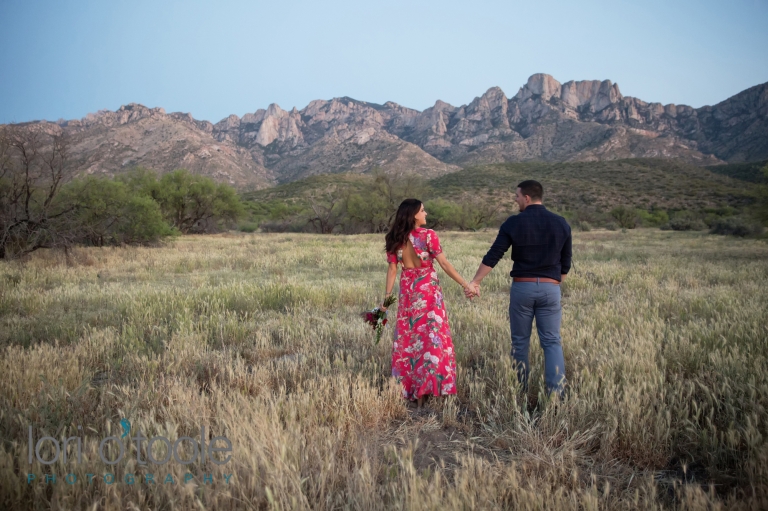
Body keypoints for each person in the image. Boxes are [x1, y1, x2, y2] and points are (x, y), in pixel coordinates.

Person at [465, 180, 572, 397]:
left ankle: (520, 391)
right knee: (552, 342)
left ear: (527, 198)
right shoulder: (561, 223)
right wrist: (553, 284)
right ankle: (557, 396)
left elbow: (494, 255)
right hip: (551, 288)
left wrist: (475, 281)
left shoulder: (513, 223)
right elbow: (565, 263)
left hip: (522, 288)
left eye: (517, 196)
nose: (515, 200)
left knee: (520, 341)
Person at [382, 199, 472, 407]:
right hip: (428, 294)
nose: (426, 213)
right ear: (414, 215)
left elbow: (393, 270)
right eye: (423, 210)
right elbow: (444, 264)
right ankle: (428, 387)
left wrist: (386, 301)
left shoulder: (395, 238)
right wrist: (465, 285)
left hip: (408, 295)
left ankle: (411, 390)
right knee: (431, 341)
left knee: (409, 341)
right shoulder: (428, 235)